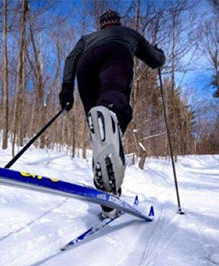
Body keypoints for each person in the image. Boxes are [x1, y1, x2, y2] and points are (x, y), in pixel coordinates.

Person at [59, 9, 165, 219]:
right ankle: (111, 182)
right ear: (117, 23)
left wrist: (66, 88)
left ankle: (107, 189)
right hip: (116, 54)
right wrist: (159, 53)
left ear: (101, 25)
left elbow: (71, 57)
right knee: (116, 106)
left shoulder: (87, 38)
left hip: (85, 64)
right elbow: (155, 60)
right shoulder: (128, 33)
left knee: (98, 127)